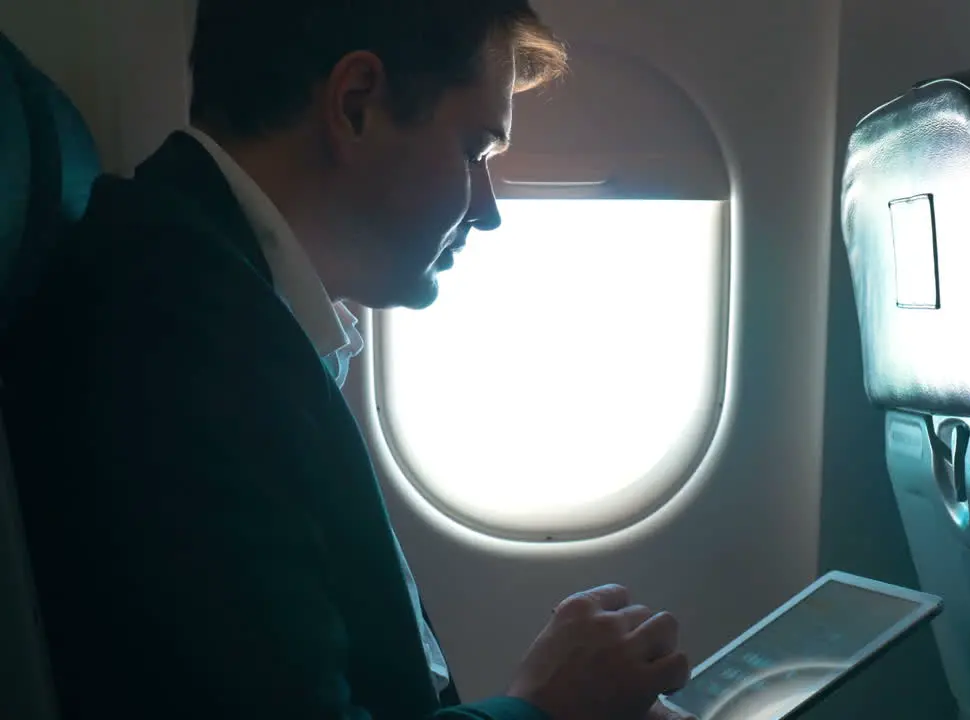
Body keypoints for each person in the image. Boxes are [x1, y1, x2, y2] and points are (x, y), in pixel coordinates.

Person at [0, 1, 695, 718]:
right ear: (356, 105)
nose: (487, 209)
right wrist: (544, 709)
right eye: (475, 152)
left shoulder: (236, 307)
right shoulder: (182, 339)